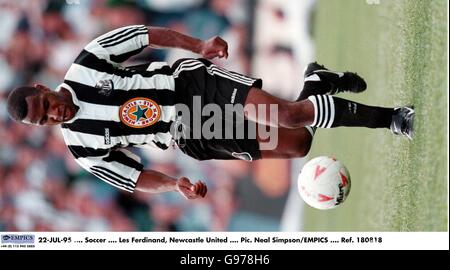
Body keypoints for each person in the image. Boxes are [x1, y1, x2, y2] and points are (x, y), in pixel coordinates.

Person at [6, 25, 414, 200]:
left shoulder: (86, 63)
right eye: (44, 120)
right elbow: (133, 179)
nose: (53, 115)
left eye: (46, 105)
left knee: (290, 116)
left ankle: (394, 118)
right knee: (299, 143)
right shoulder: (81, 148)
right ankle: (318, 81)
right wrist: (174, 185)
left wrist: (198, 46)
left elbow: (144, 36)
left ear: (43, 87)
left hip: (191, 85)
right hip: (191, 133)